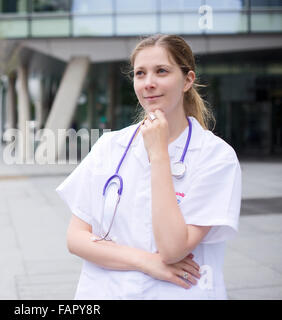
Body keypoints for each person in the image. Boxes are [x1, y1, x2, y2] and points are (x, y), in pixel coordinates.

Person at [56, 34, 241, 300]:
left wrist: (159, 154)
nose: (149, 83)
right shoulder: (110, 146)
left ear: (188, 80)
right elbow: (76, 239)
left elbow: (172, 249)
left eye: (161, 71)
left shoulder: (215, 157)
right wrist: (145, 261)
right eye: (140, 73)